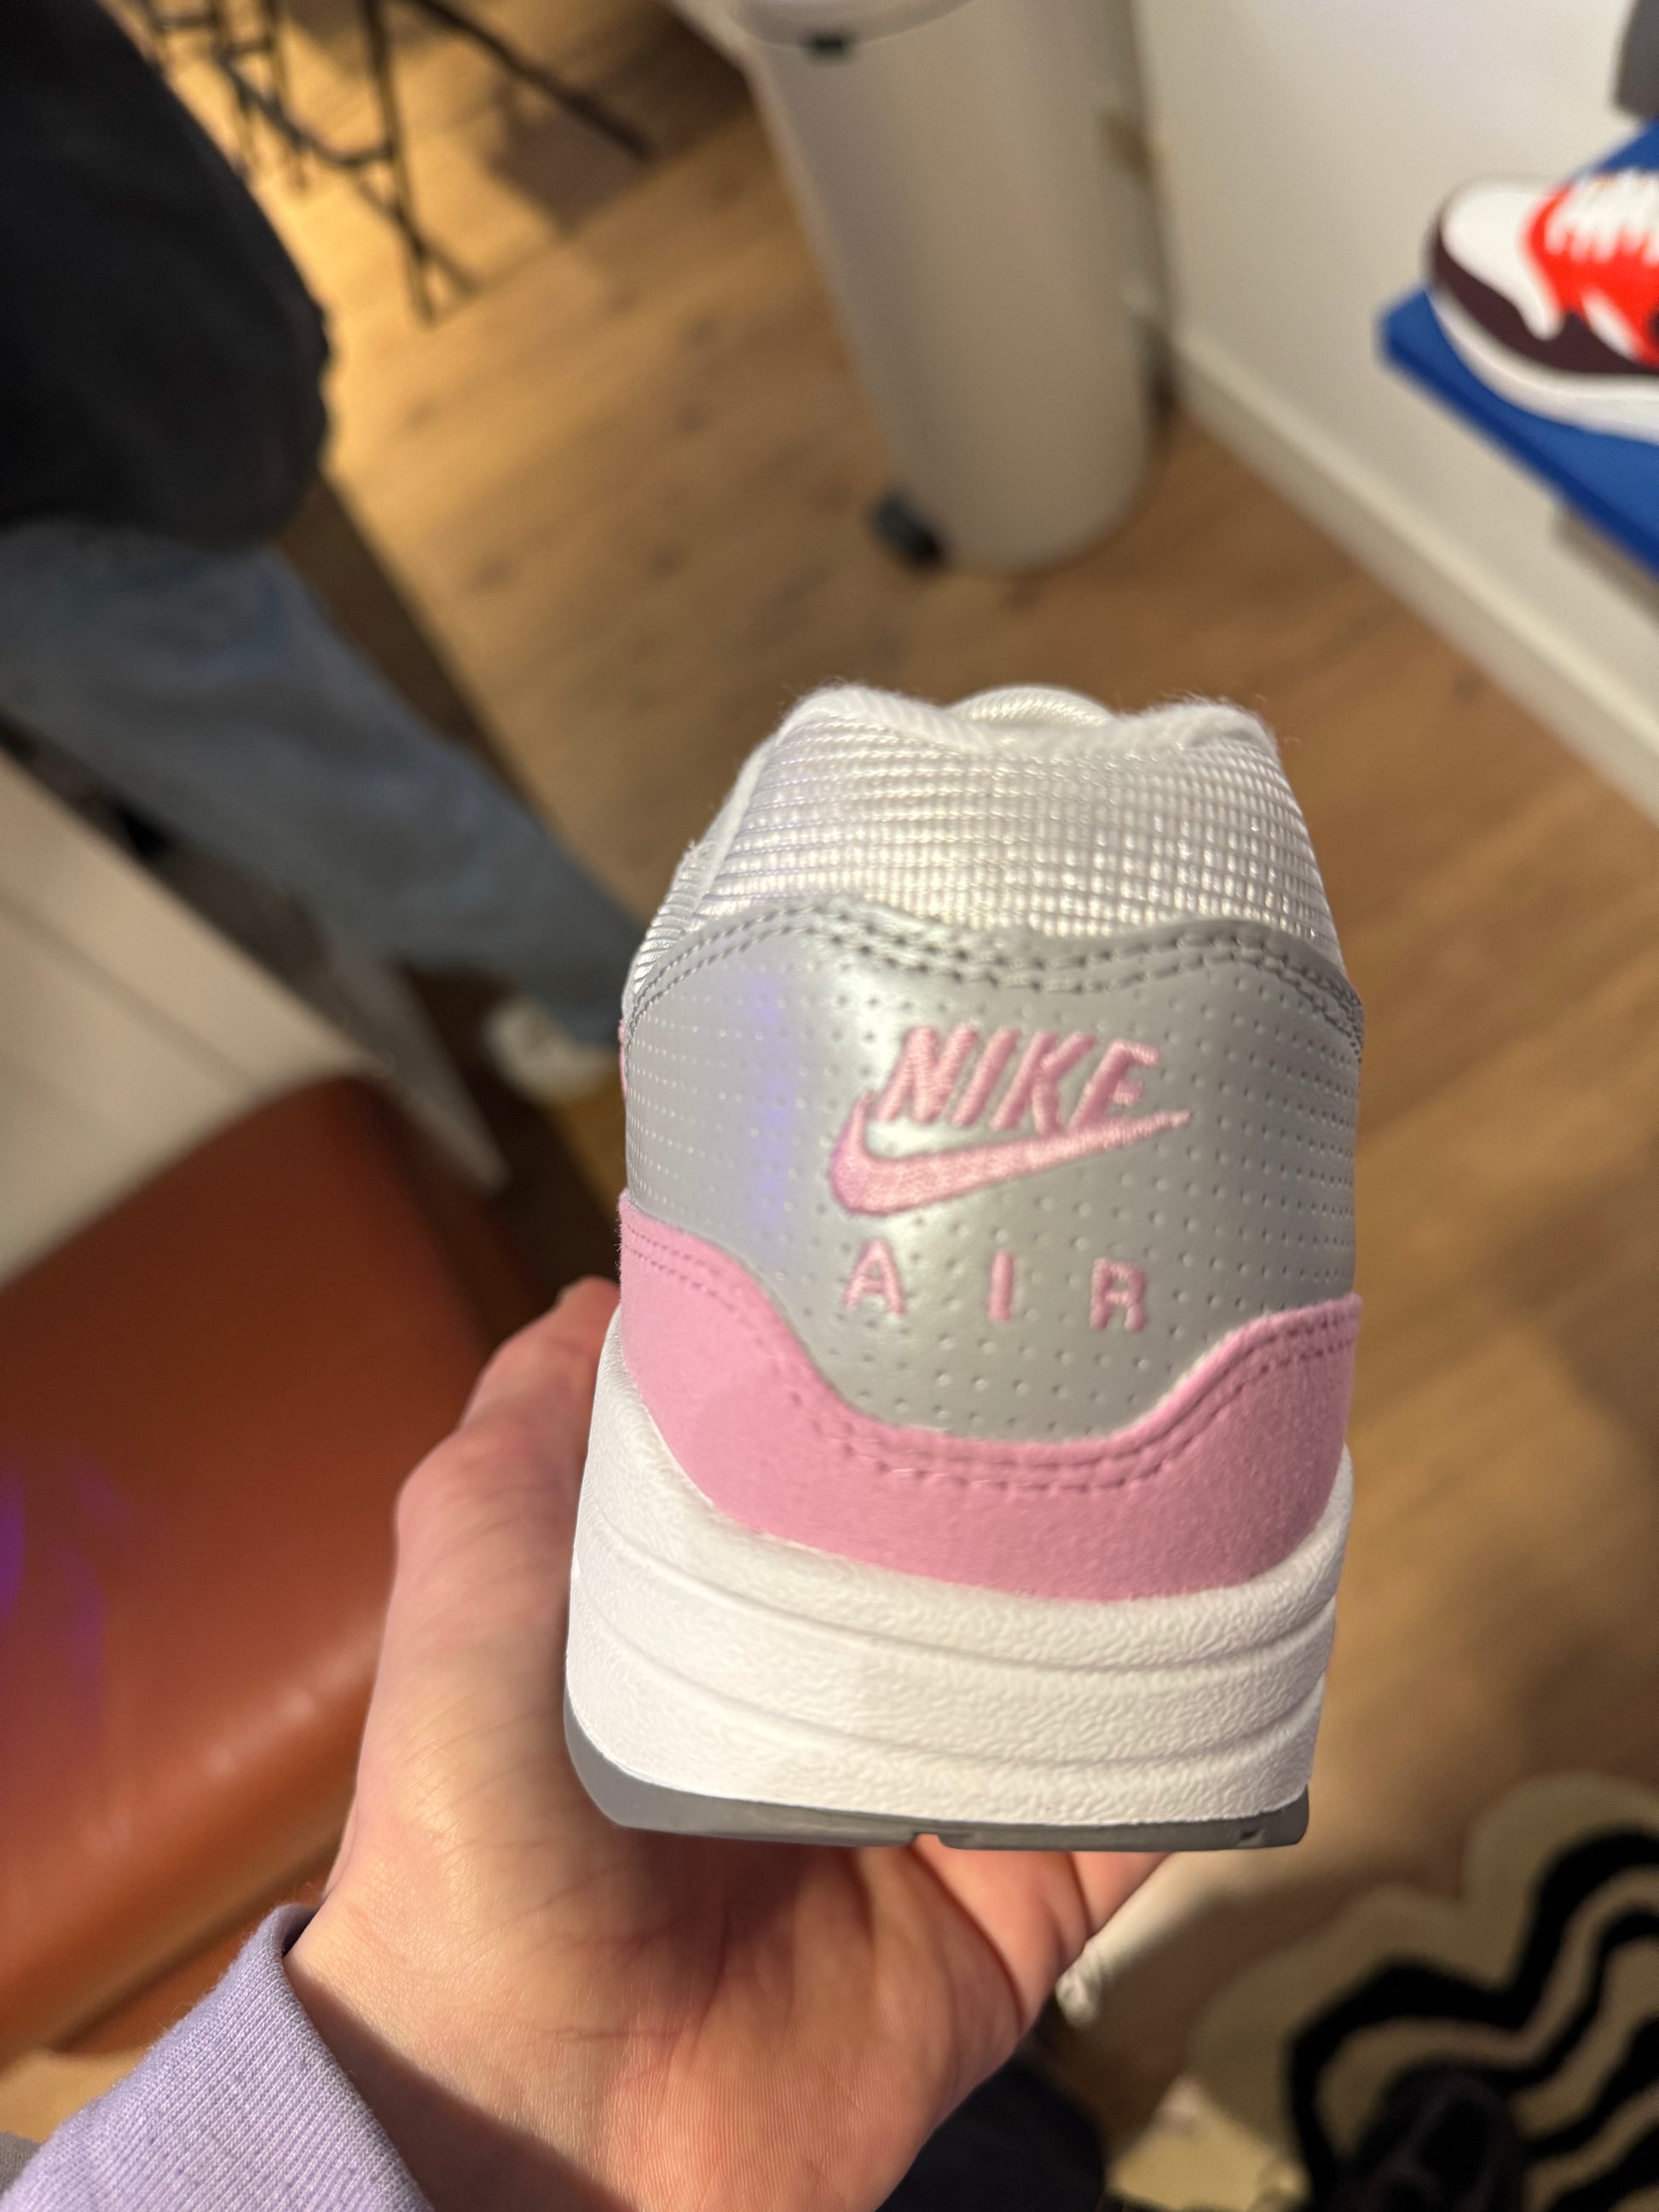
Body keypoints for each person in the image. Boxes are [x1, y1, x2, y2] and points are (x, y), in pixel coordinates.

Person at [0, 1279, 1160, 2208]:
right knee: (999, 2143)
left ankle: (1030, 2093)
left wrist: (470, 2102)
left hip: (814, 2043)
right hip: (817, 2038)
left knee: (994, 2143)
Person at [0, 0, 640, 1102]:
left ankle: (624, 1000)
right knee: (336, 757)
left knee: (361, 811)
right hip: (164, 272)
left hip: (77, 455)